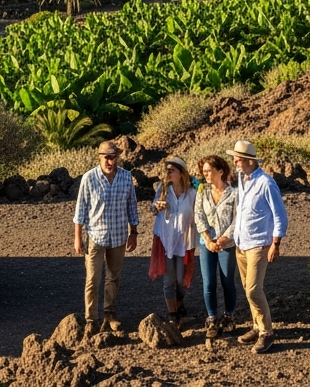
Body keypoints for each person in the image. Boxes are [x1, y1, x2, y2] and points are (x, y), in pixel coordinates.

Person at [73, 140, 139, 334]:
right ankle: (91, 318)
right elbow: (81, 210)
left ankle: (110, 313)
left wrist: (133, 233)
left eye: (114, 157)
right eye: (107, 157)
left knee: (113, 277)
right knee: (92, 279)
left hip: (119, 236)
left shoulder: (126, 177)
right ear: (100, 158)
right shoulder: (89, 178)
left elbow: (132, 207)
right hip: (95, 236)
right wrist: (77, 237)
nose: (111, 161)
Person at [228, 140, 288, 354]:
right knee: (247, 289)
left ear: (250, 161)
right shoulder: (242, 179)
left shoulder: (266, 183)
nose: (234, 162)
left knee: (254, 289)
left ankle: (267, 333)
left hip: (258, 244)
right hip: (241, 243)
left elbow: (280, 215)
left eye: (238, 159)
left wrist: (276, 244)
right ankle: (257, 325)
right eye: (234, 158)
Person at [150, 156, 196, 330]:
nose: (167, 173)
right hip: (166, 240)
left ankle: (179, 304)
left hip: (184, 241)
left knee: (181, 280)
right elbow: (153, 208)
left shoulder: (192, 193)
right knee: (169, 280)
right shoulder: (163, 189)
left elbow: (198, 215)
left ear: (181, 173)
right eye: (167, 170)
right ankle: (173, 315)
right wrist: (156, 207)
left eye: (171, 170)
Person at [195, 154, 238, 339]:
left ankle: (229, 316)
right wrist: (208, 239)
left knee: (227, 281)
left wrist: (223, 240)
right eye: (203, 171)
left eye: (209, 171)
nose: (205, 174)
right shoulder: (202, 192)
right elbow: (199, 216)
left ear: (220, 171)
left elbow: (237, 219)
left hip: (227, 244)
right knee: (209, 283)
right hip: (207, 243)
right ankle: (212, 318)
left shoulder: (234, 194)